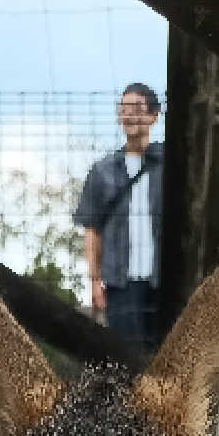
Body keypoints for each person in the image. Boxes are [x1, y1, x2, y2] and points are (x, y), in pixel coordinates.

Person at [73, 82, 163, 350]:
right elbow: (92, 229)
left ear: (153, 116)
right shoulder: (102, 171)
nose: (129, 115)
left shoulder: (170, 164)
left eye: (137, 108)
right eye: (123, 109)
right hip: (120, 283)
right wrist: (94, 280)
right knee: (127, 360)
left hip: (164, 280)